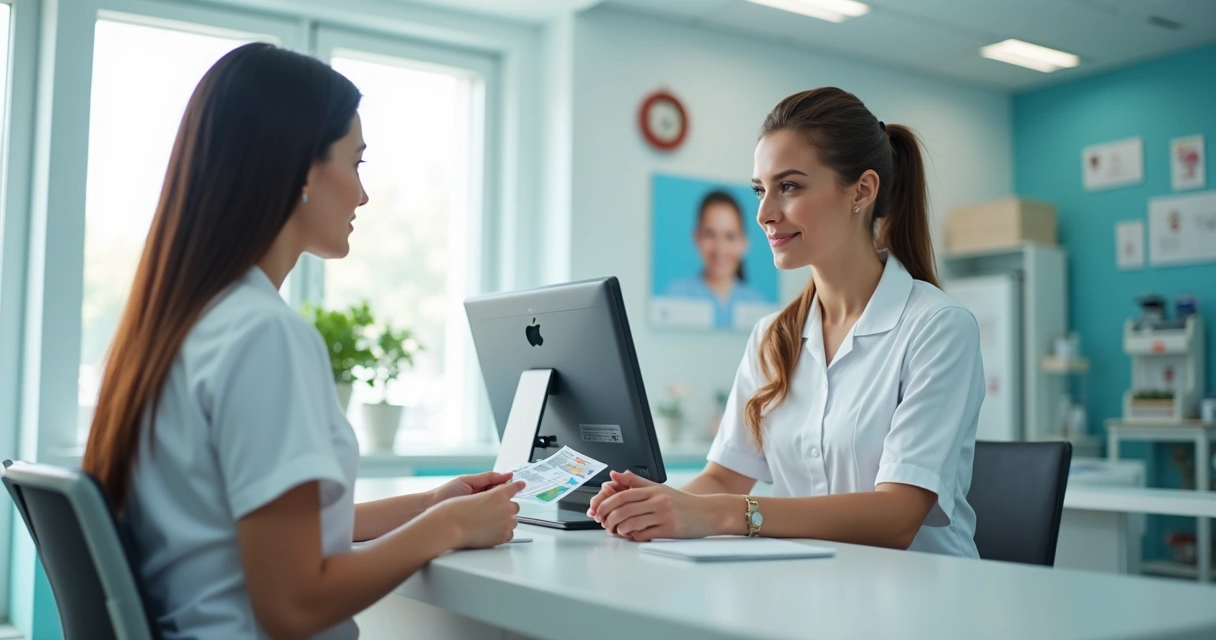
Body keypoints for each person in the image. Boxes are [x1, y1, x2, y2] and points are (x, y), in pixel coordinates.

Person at [81, 43, 521, 640]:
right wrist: (447, 529)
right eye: (357, 162)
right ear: (305, 170)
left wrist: (433, 504)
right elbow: (292, 606)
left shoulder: (179, 327)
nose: (363, 195)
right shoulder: (266, 337)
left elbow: (265, 535)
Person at [590, 87, 985, 558]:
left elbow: (898, 515)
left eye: (790, 187)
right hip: (807, 589)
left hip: (926, 602)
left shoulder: (937, 328)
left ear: (862, 190)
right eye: (760, 189)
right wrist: (648, 507)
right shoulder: (772, 337)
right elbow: (724, 475)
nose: (763, 213)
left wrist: (722, 513)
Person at [665, 190, 768, 329]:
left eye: (730, 236)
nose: (720, 249)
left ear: (744, 243)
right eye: (710, 234)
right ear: (696, 237)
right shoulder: (676, 294)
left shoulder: (757, 302)